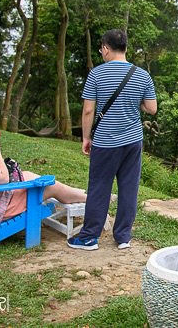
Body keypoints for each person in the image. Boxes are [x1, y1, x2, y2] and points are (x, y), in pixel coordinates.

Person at [67, 29, 157, 251]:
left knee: (99, 187)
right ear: (125, 47)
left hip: (105, 142)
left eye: (101, 50)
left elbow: (89, 111)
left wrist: (86, 137)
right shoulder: (142, 75)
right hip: (133, 140)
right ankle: (124, 236)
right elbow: (151, 109)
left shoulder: (96, 74)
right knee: (129, 188)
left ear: (106, 48)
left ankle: (89, 237)